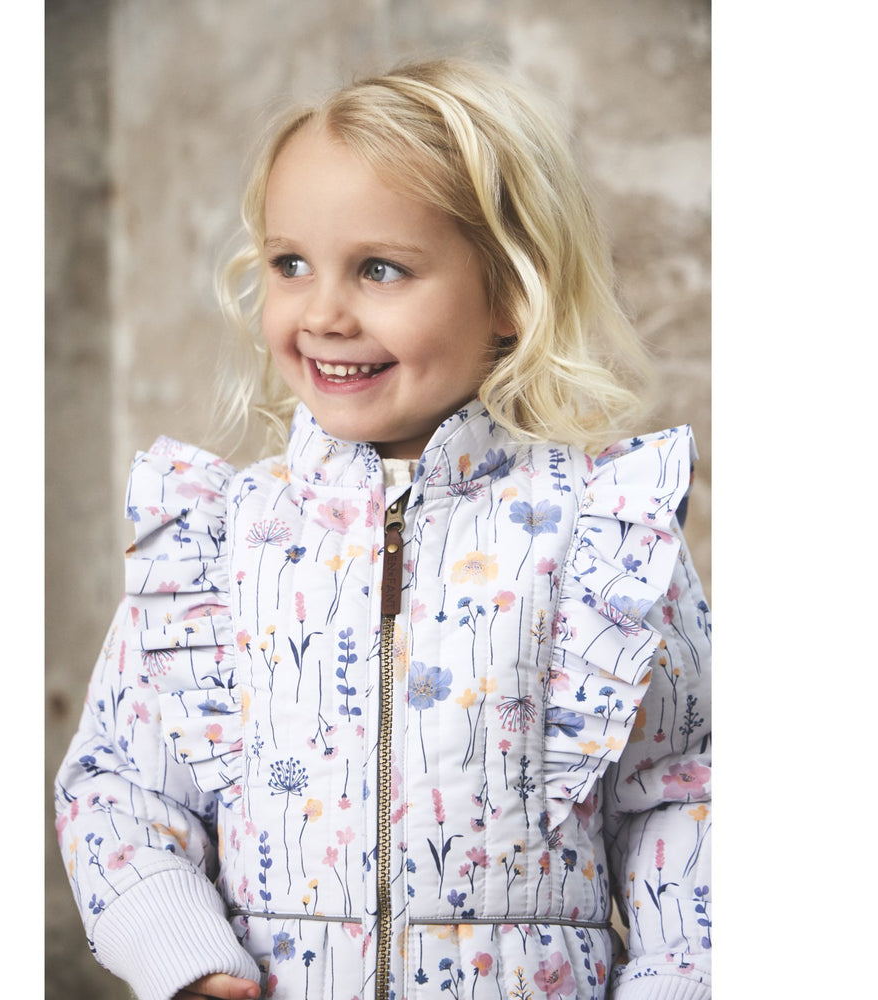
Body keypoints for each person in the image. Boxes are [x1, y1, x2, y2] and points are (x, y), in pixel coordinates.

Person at [54, 58, 711, 1000]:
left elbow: (689, 798)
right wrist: (183, 956)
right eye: (290, 264)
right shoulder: (221, 542)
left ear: (511, 292)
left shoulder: (604, 539)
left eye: (379, 269)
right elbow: (120, 785)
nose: (323, 312)